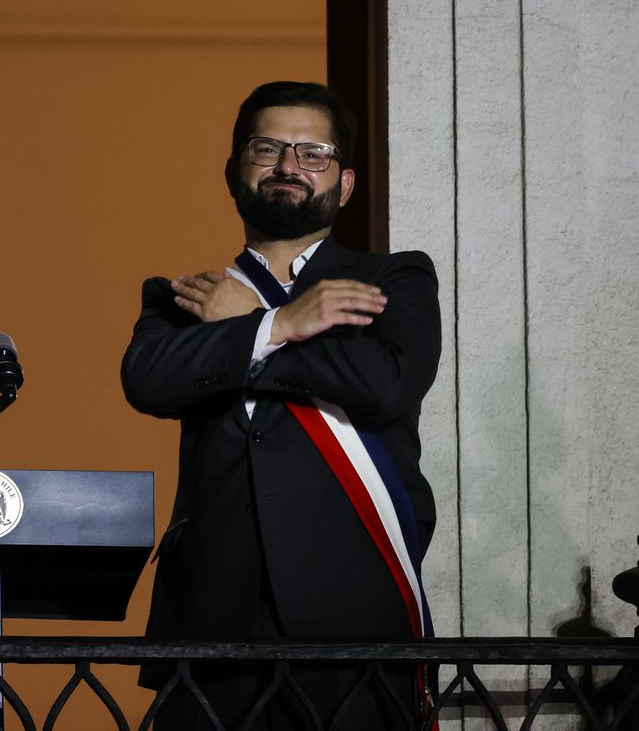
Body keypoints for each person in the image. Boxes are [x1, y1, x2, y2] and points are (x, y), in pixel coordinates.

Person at [121, 82, 440, 729]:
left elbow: (386, 383)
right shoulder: (183, 298)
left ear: (345, 184)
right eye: (266, 148)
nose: (289, 165)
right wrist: (278, 327)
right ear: (234, 172)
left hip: (353, 611)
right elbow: (147, 380)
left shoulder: (393, 278)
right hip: (211, 619)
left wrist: (251, 326)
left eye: (313, 152)